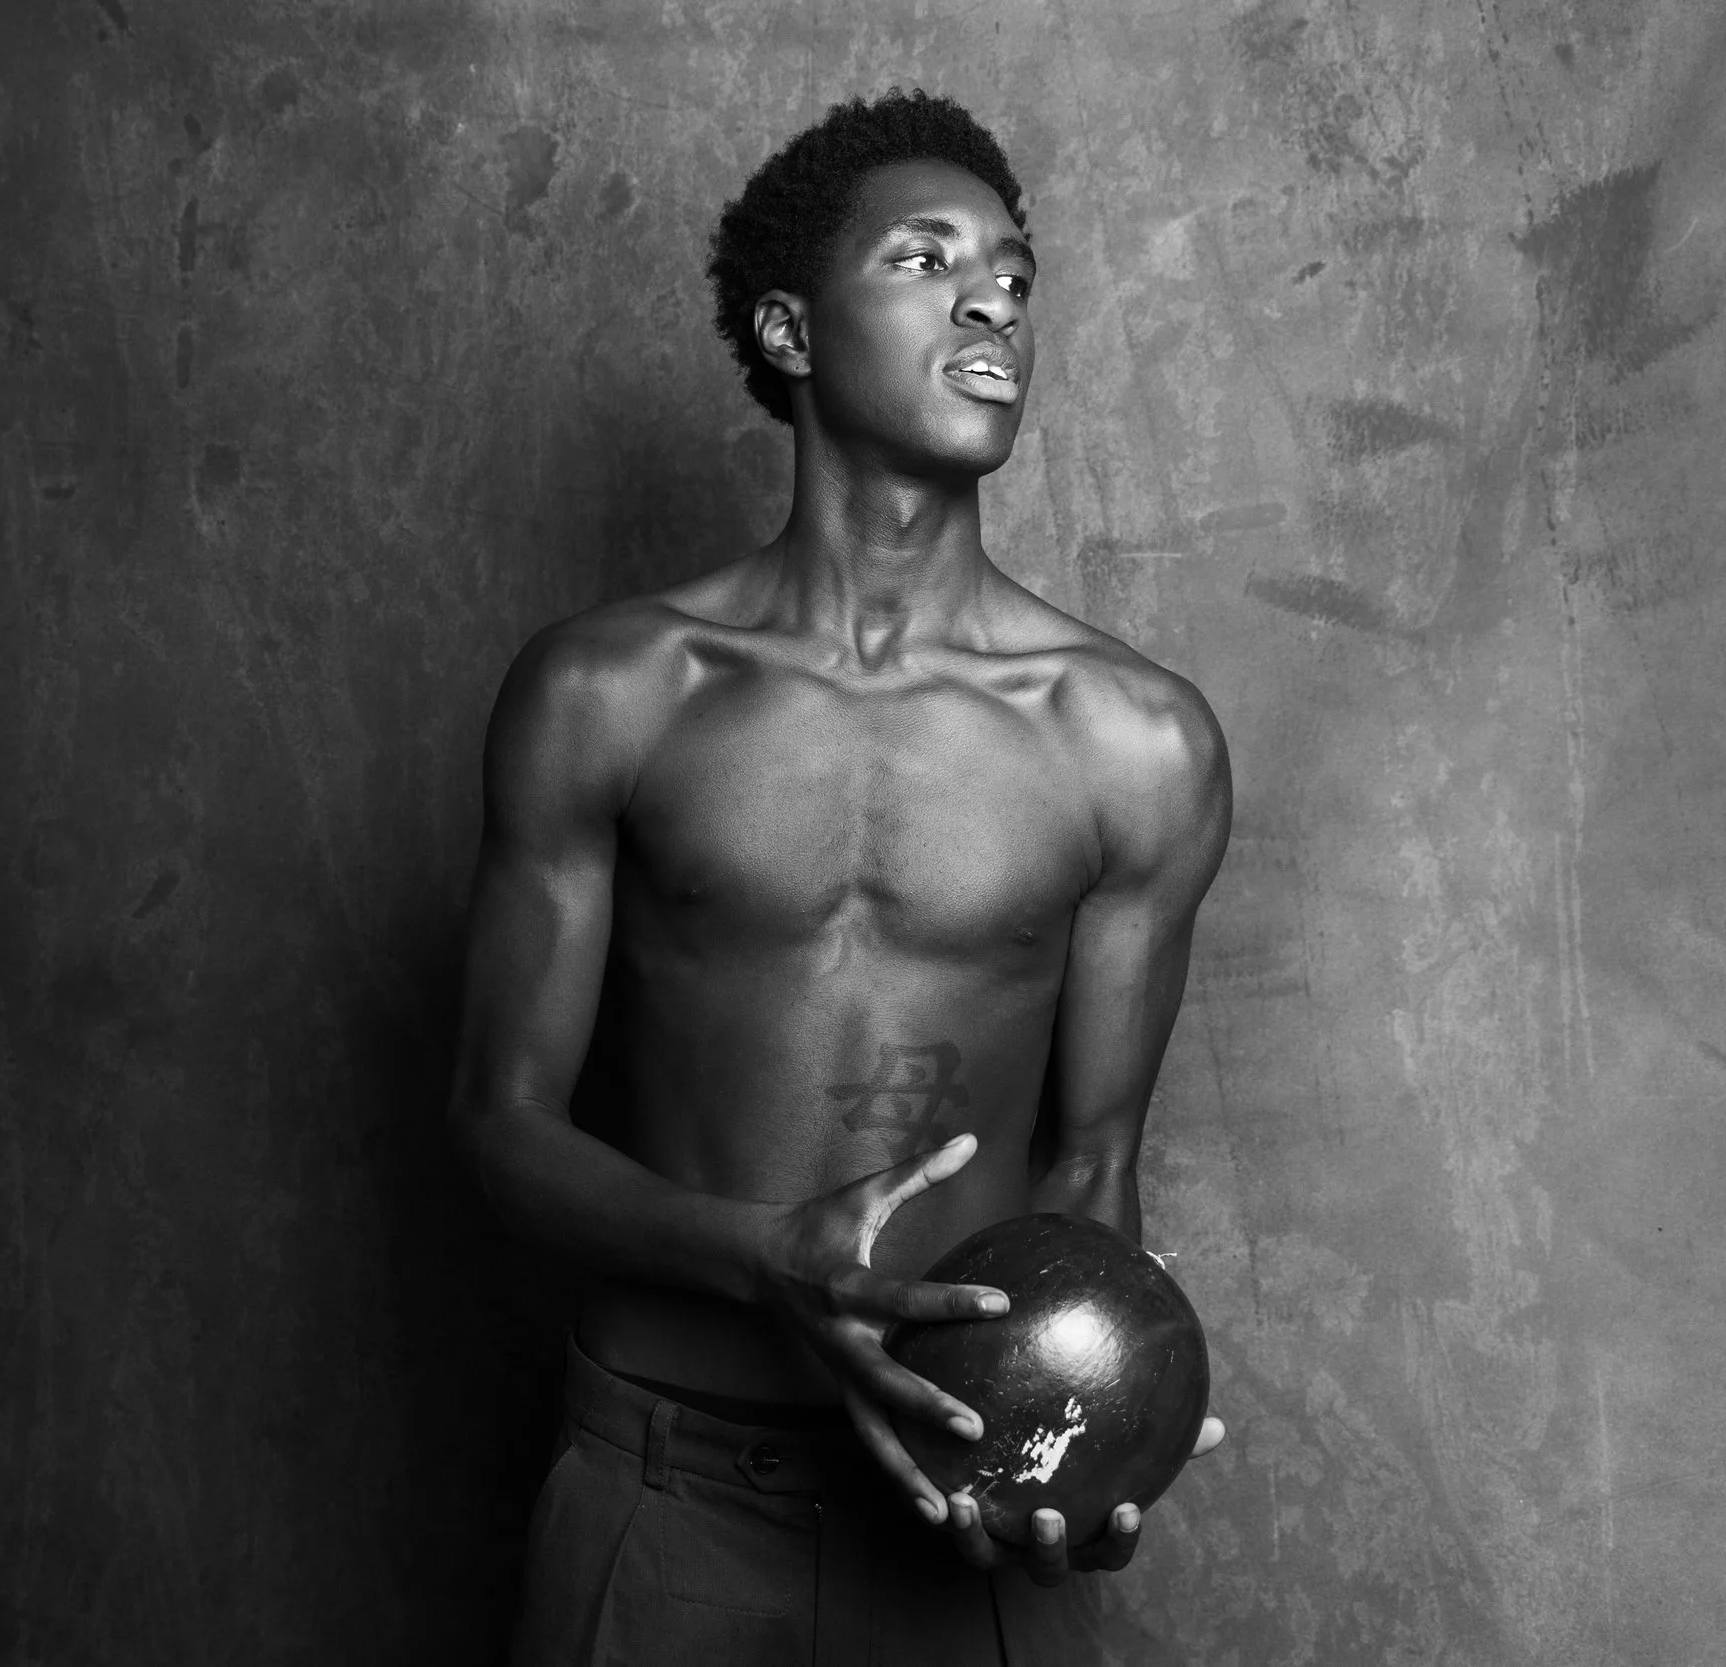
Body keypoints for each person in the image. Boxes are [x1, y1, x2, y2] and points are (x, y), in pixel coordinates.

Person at [449, 88, 1233, 1665]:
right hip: (663, 1493)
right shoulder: (612, 691)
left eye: (1013, 275)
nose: (991, 301)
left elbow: (1093, 1169)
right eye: (926, 259)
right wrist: (757, 1254)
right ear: (790, 330)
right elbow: (497, 1128)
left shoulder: (1134, 740)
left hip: (956, 1513)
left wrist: (1089, 1445)